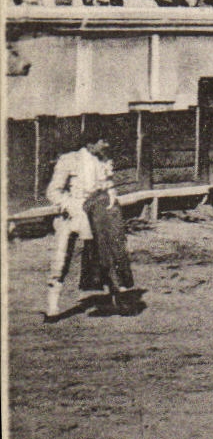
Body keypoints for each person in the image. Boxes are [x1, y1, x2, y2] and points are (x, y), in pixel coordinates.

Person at [44, 130, 140, 320]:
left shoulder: (103, 159)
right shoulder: (70, 160)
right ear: (90, 143)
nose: (106, 145)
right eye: (102, 140)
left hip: (99, 213)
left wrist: (111, 200)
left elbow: (109, 186)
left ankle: (117, 299)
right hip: (75, 210)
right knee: (62, 256)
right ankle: (52, 306)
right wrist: (70, 207)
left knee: (110, 252)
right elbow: (53, 191)